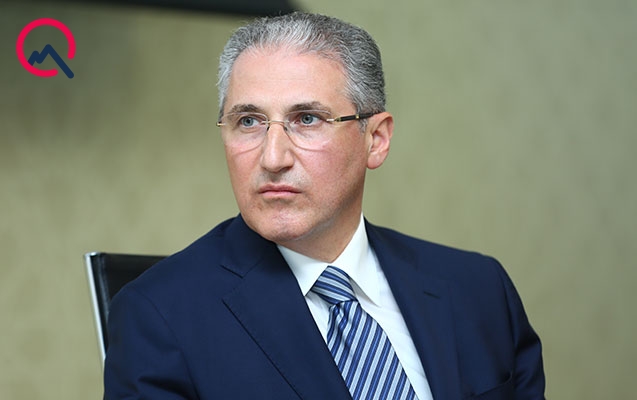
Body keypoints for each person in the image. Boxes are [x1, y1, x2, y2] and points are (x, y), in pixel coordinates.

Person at [103, 12, 545, 400]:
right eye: (249, 121)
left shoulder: (479, 289)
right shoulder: (158, 316)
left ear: (376, 139)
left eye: (307, 119)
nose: (273, 158)